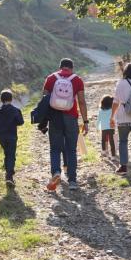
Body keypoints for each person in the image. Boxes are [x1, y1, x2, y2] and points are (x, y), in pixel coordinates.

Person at [43, 58, 88, 191]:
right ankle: (73, 181)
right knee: (71, 150)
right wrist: (85, 121)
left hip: (55, 117)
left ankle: (56, 172)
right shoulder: (77, 80)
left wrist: (44, 120)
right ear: (71, 68)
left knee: (55, 148)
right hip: (71, 117)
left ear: (60, 67)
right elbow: (81, 101)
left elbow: (44, 100)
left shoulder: (51, 78)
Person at [0, 89, 24, 187]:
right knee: (11, 155)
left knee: (7, 153)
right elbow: (21, 122)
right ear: (11, 99)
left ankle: (8, 173)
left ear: (1, 100)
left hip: (1, 137)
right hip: (12, 136)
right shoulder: (16, 110)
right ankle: (9, 176)